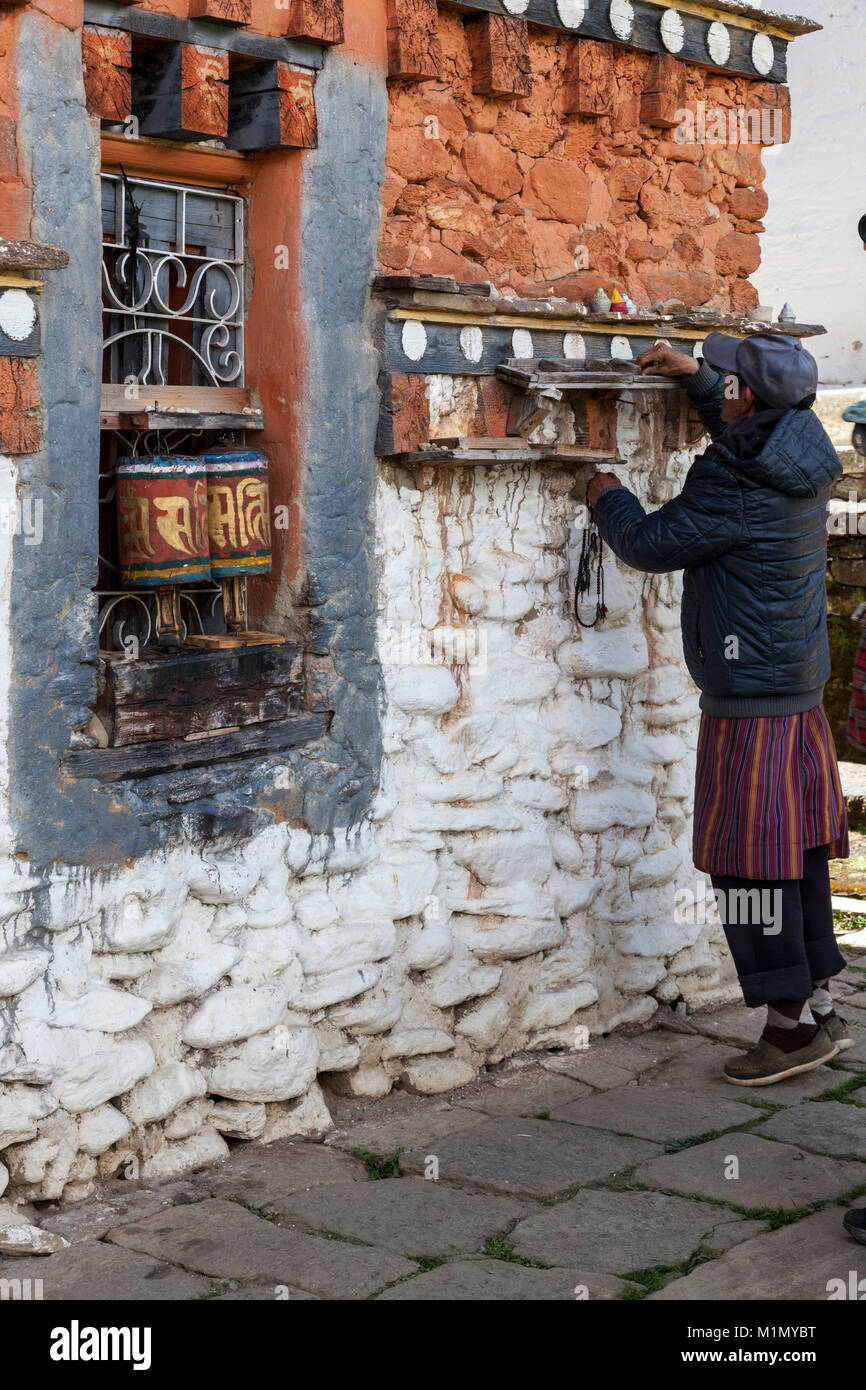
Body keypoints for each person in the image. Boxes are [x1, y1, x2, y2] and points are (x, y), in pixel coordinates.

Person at [587, 332, 852, 1085]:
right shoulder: (801, 445)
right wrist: (696, 374)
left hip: (752, 704)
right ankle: (823, 1004)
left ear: (746, 396)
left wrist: (605, 492)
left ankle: (788, 1028)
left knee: (745, 868)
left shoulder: (733, 485)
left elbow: (644, 542)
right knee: (794, 855)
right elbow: (738, 432)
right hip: (794, 690)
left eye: (728, 382)